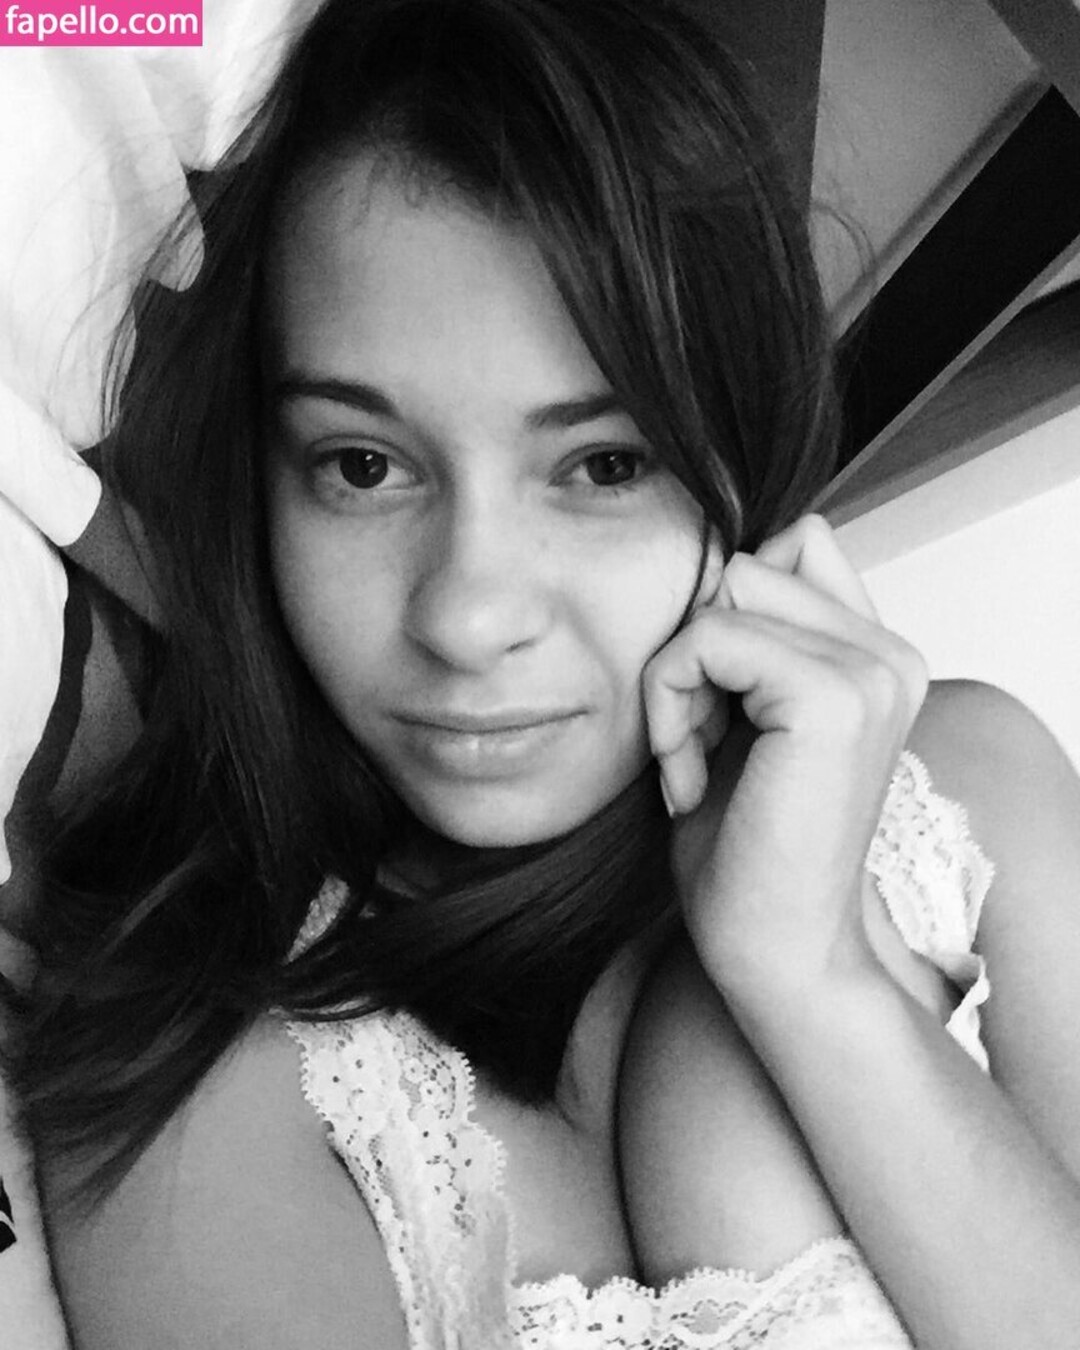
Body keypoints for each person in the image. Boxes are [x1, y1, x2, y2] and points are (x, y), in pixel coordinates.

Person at [11, 0, 1080, 1346]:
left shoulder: (976, 800)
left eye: (604, 465)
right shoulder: (186, 1053)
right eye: (362, 465)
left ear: (738, 461)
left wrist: (819, 982)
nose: (469, 616)